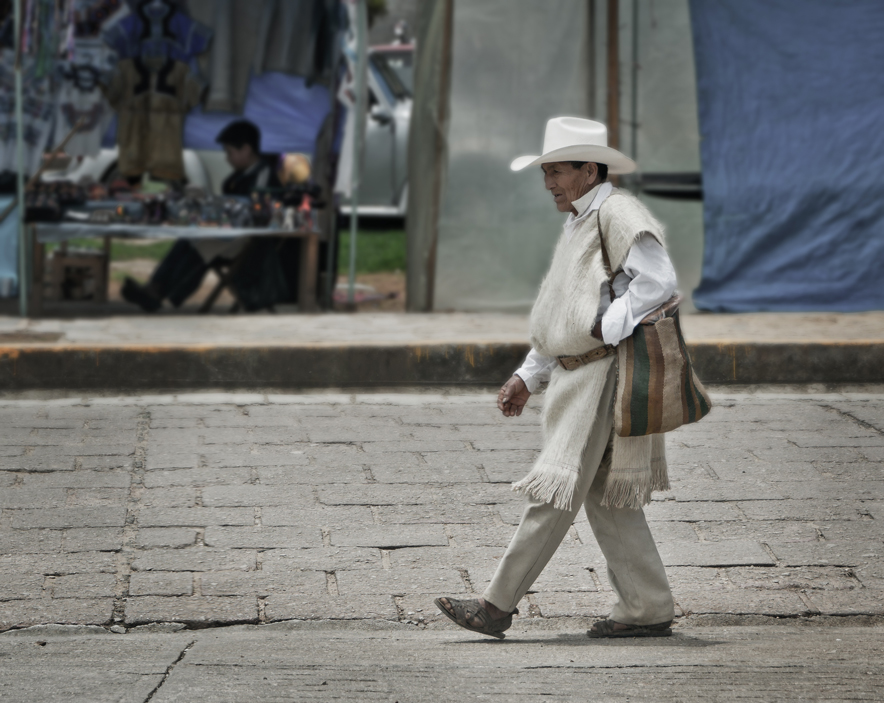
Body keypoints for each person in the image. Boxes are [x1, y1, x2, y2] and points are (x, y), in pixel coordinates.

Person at [435, 117, 679, 639]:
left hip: (601, 378)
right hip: (579, 377)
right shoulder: (582, 218)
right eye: (545, 172)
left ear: (589, 170)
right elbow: (562, 311)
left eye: (556, 172)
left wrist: (609, 326)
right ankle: (647, 606)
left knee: (557, 489)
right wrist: (531, 373)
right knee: (601, 495)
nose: (548, 183)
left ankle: (496, 606)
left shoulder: (616, 212)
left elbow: (659, 281)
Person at [121, 120, 280, 312]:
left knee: (202, 246)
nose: (227, 158)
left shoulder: (264, 175)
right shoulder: (236, 177)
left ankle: (161, 293)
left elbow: (256, 211)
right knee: (188, 238)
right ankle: (155, 287)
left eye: (229, 152)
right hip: (230, 233)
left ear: (246, 150)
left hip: (250, 240)